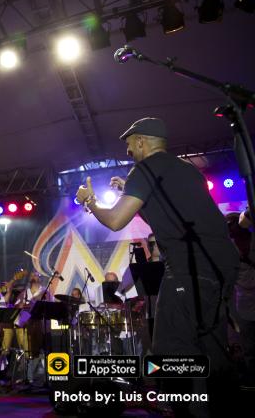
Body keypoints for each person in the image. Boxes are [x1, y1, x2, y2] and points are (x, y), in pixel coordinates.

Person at [76, 117, 239, 416]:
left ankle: (186, 411)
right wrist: (137, 196)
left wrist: (91, 202)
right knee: (211, 347)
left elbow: (115, 220)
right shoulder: (187, 170)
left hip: (187, 268)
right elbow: (171, 217)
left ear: (141, 141)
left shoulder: (145, 168)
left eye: (129, 145)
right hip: (221, 268)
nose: (128, 151)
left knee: (169, 350)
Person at [227, 211, 255, 387]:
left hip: (243, 302)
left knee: (249, 346)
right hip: (244, 303)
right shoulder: (229, 247)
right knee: (249, 347)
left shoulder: (249, 240)